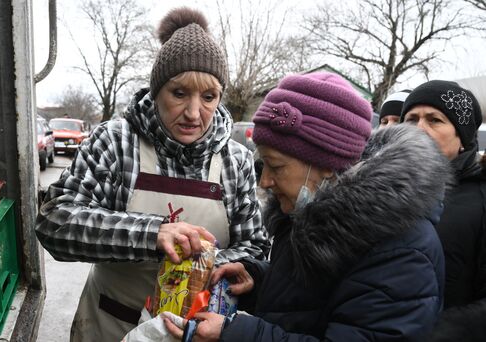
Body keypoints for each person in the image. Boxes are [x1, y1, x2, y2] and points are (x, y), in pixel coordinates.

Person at [35, 7, 270, 341]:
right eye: (179, 93)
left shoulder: (235, 161)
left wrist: (203, 260)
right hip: (111, 324)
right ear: (158, 90)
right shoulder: (116, 142)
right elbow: (55, 223)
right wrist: (151, 235)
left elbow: (255, 248)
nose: (193, 113)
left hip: (193, 331)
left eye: (208, 97)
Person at [165, 72, 451, 341]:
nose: (264, 182)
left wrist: (238, 334)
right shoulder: (311, 209)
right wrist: (259, 279)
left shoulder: (401, 252)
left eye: (275, 167)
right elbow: (314, 298)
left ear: (328, 164)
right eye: (262, 165)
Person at [400, 80, 486, 341]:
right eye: (411, 119)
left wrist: (434, 334)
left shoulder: (481, 199)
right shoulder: (380, 194)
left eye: (435, 120)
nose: (419, 129)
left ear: (463, 137)